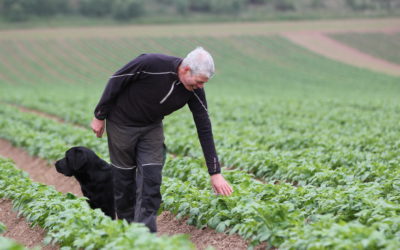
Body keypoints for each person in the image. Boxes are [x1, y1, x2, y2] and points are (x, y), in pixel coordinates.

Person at [91, 47, 233, 233]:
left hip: (151, 128)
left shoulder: (195, 90)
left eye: (204, 83)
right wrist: (99, 115)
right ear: (185, 70)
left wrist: (215, 172)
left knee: (151, 180)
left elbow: (204, 126)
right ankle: (126, 232)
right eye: (199, 82)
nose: (200, 87)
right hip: (121, 124)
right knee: (124, 182)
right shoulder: (151, 63)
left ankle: (144, 235)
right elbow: (117, 79)